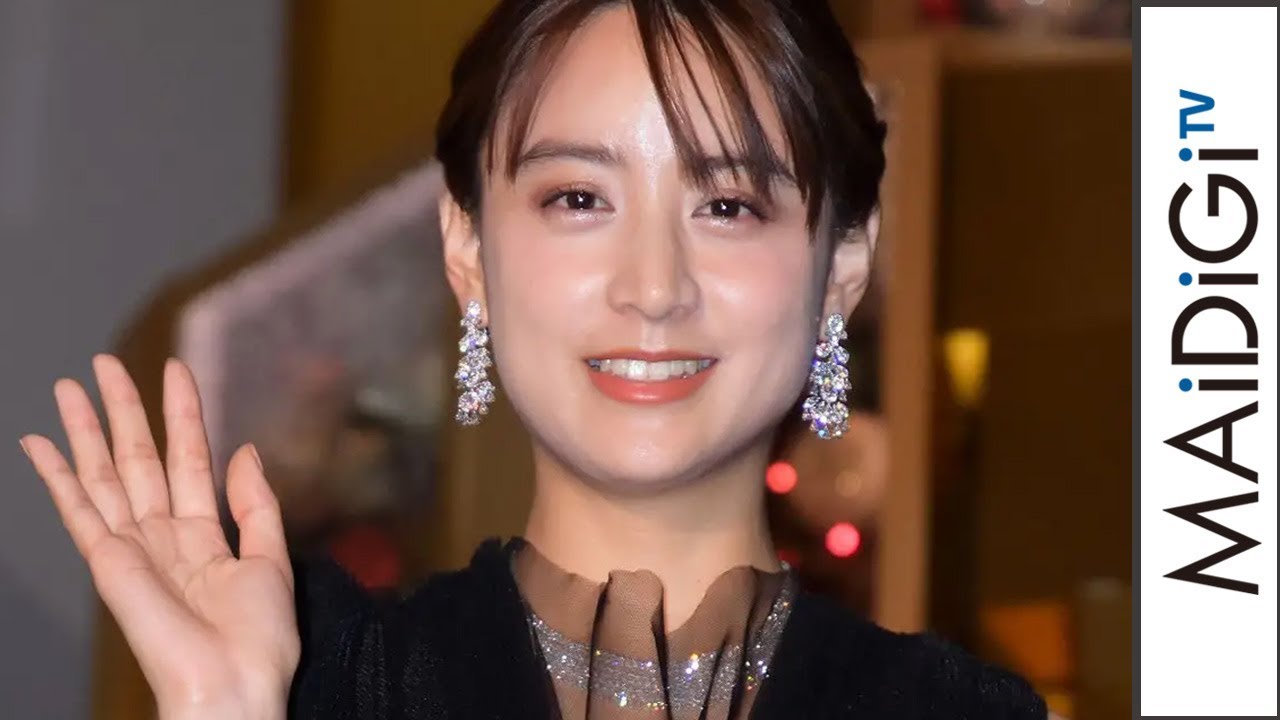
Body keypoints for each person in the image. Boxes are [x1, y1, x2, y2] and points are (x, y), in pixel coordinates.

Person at [19, 0, 1052, 717]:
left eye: (729, 205)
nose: (653, 286)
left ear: (841, 267)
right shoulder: (315, 682)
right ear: (468, 251)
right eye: (578, 199)